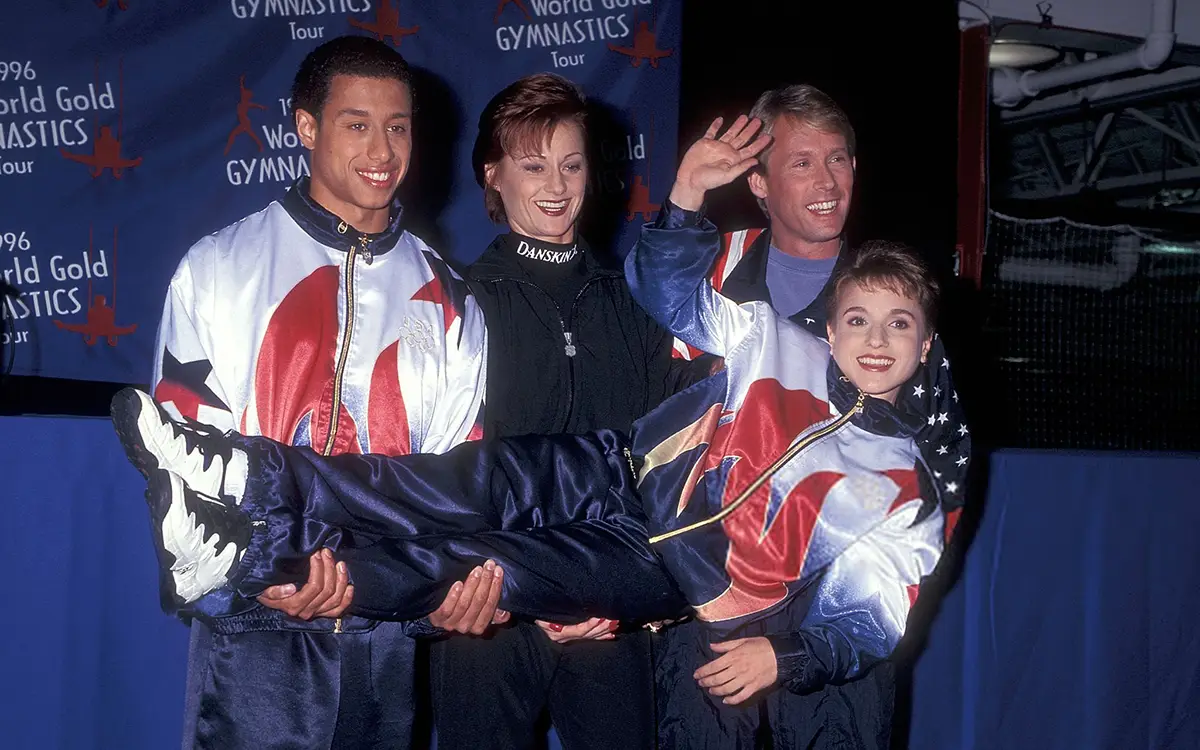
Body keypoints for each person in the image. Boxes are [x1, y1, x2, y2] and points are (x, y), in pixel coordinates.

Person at [112, 223, 947, 748]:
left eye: (899, 324)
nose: (876, 341)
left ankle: (252, 560)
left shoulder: (908, 490)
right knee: (445, 484)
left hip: (666, 572)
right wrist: (687, 205)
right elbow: (666, 290)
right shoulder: (769, 335)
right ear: (829, 327)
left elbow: (871, 618)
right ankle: (241, 472)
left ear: (924, 342)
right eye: (858, 320)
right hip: (614, 467)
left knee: (489, 563)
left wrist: (785, 653)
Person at [149, 35, 505, 750]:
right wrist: (255, 582)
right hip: (257, 641)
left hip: (386, 643)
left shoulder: (452, 295)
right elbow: (180, 462)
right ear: (306, 127)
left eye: (398, 126)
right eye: (356, 123)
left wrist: (448, 590)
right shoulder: (219, 269)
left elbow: (457, 476)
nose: (382, 149)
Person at [656, 87, 972, 747]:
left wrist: (844, 616)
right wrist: (686, 189)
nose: (827, 180)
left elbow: (941, 479)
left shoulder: (891, 299)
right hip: (713, 585)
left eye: (839, 159)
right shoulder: (712, 272)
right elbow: (657, 422)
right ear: (759, 181)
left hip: (841, 595)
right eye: (802, 162)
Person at [429, 72, 704, 750]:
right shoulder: (453, 302)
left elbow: (668, 466)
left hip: (607, 613)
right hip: (489, 612)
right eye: (532, 164)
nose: (556, 183)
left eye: (572, 163)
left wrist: (638, 594)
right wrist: (481, 587)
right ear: (493, 176)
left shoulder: (635, 302)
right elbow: (432, 468)